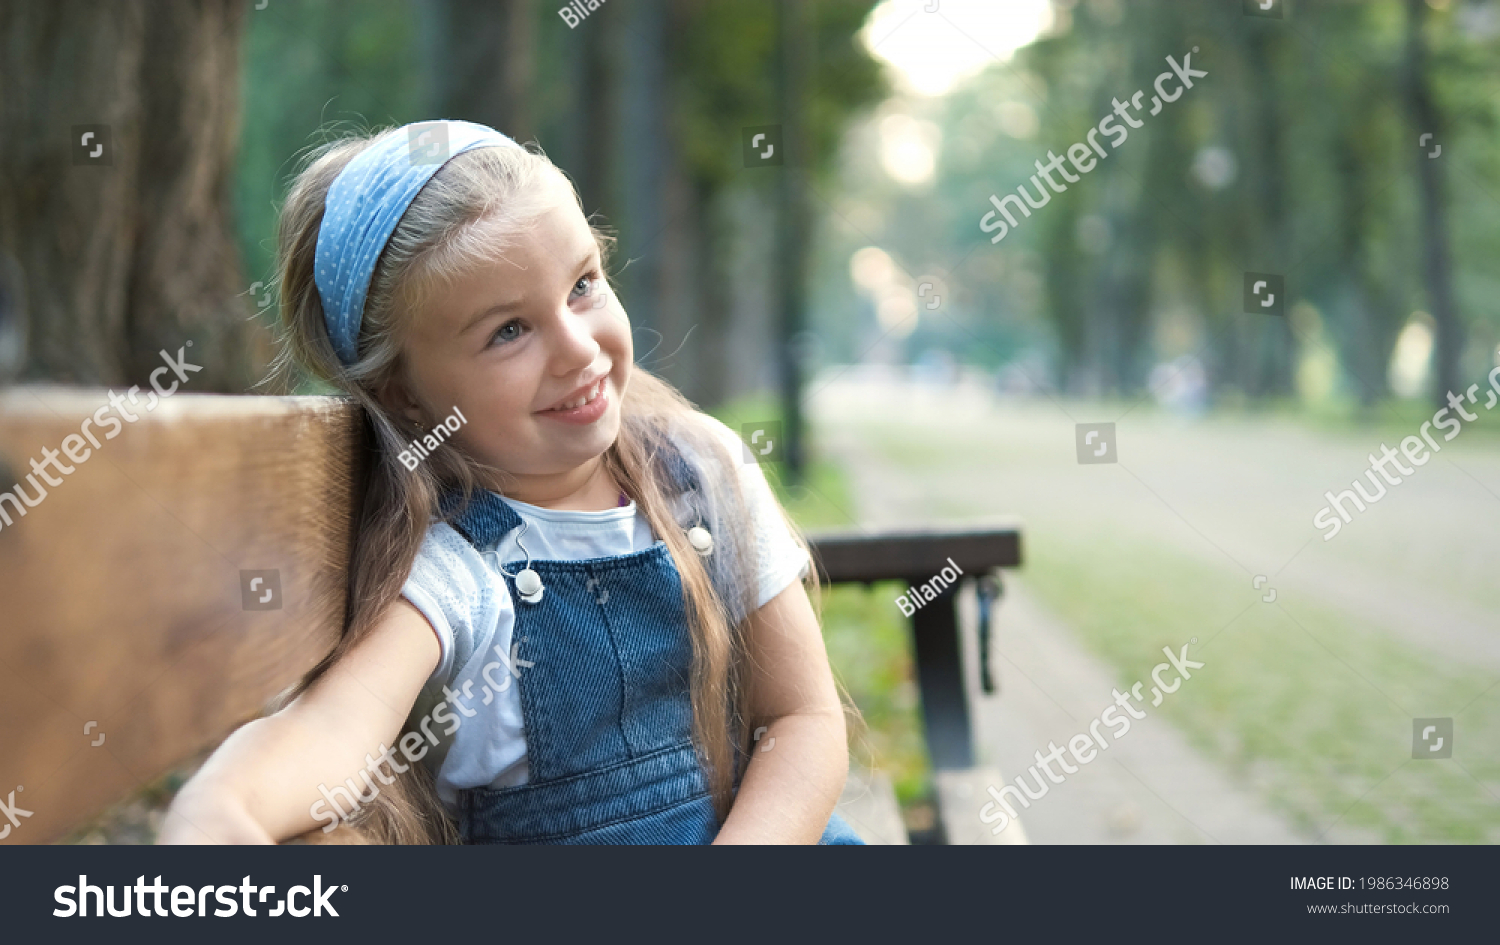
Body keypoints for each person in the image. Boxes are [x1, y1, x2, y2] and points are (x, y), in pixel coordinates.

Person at [159, 119, 862, 845]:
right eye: (508, 332)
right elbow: (331, 728)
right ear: (405, 394)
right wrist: (217, 810)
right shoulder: (456, 570)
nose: (577, 348)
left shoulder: (700, 472)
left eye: (583, 285)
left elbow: (800, 717)